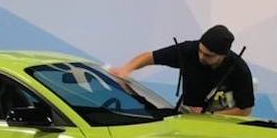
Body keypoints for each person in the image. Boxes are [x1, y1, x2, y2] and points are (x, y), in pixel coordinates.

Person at [109, 24, 254, 115]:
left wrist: (209, 115)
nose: (201, 57)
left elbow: (245, 110)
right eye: (200, 51)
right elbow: (149, 57)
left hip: (220, 121)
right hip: (187, 113)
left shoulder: (239, 70)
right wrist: (126, 69)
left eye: (208, 55)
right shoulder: (188, 50)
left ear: (223, 55)